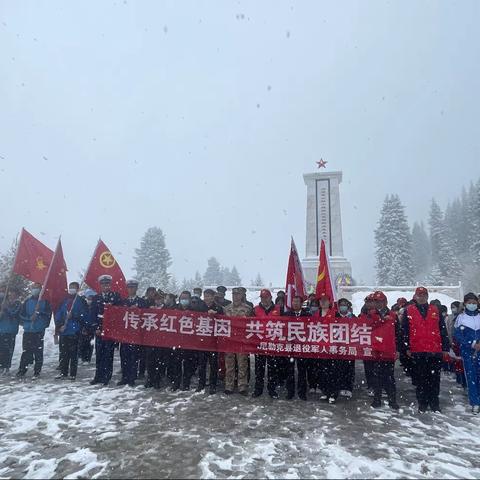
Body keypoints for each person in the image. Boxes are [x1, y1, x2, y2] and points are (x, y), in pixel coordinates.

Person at [401, 286, 450, 412]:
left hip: (435, 350)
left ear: (427, 296)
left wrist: (445, 347)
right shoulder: (409, 310)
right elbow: (405, 330)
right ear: (415, 297)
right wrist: (406, 347)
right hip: (417, 350)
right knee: (421, 379)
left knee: (434, 379)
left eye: (424, 295)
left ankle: (434, 404)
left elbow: (442, 329)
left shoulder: (435, 310)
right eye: (419, 295)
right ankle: (422, 404)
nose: (421, 297)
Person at [368, 291, 400, 410]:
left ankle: (392, 400)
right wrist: (383, 320)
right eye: (376, 301)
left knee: (389, 377)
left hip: (388, 350)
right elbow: (371, 325)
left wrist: (398, 349)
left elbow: (398, 333)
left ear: (385, 302)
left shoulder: (393, 315)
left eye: (381, 301)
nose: (379, 304)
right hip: (376, 350)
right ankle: (377, 400)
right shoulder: (371, 314)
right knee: (376, 377)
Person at [90, 275, 122, 386]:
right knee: (99, 354)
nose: (105, 286)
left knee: (109, 354)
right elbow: (92, 314)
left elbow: (120, 313)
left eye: (107, 284)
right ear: (101, 285)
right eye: (103, 284)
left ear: (110, 285)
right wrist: (95, 328)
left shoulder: (116, 297)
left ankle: (107, 377)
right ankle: (98, 376)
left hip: (110, 331)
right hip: (99, 330)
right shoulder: (96, 298)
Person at [171, 291, 207, 391]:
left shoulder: (196, 309)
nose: (184, 300)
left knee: (188, 364)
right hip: (177, 341)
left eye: (186, 298)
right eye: (182, 298)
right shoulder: (175, 309)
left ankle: (186, 383)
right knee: (176, 364)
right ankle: (176, 383)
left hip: (190, 342)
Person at [16, 283, 52, 379]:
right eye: (34, 288)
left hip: (39, 330)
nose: (35, 290)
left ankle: (37, 371)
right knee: (26, 351)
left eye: (37, 288)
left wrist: (40, 314)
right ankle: (22, 370)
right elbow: (21, 315)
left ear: (41, 289)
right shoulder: (27, 301)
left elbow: (48, 315)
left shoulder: (45, 301)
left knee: (38, 351)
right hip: (28, 330)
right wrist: (29, 319)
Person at [54, 282, 88, 381]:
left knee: (73, 354)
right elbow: (58, 313)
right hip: (64, 330)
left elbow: (84, 315)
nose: (71, 289)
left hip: (75, 331)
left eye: (73, 288)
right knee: (64, 353)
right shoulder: (64, 300)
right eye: (70, 287)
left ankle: (73, 374)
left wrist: (74, 315)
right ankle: (63, 372)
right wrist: (59, 325)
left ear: (77, 289)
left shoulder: (81, 301)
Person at [252, 289, 283, 399]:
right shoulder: (255, 309)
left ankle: (272, 389)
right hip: (259, 344)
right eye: (262, 297)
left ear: (270, 298)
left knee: (272, 369)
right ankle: (258, 389)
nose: (264, 300)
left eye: (266, 297)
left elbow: (285, 324)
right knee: (259, 369)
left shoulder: (279, 309)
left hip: (272, 344)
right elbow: (249, 324)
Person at [454, 292, 480, 414]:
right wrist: (471, 344)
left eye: (474, 303)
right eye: (469, 303)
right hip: (468, 352)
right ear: (465, 304)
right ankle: (475, 402)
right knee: (471, 377)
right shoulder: (461, 318)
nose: (472, 305)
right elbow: (458, 335)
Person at [223, 287, 252, 395]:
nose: (235, 296)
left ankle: (242, 386)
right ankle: (229, 386)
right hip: (230, 340)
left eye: (238, 294)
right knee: (229, 364)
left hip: (241, 341)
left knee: (242, 364)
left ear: (242, 295)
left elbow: (251, 325)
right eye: (234, 294)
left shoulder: (248, 309)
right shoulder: (226, 309)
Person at [118, 280, 146, 387]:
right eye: (129, 287)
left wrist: (138, 310)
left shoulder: (142, 302)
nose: (131, 289)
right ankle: (124, 377)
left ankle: (132, 378)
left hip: (136, 334)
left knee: (134, 357)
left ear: (136, 289)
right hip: (125, 335)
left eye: (133, 287)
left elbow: (146, 316)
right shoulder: (122, 302)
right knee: (124, 356)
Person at [314, 293, 339, 403]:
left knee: (333, 371)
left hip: (332, 347)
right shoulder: (316, 314)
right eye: (321, 300)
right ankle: (325, 391)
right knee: (322, 371)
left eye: (325, 300)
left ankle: (333, 393)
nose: (323, 302)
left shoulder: (335, 313)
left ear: (329, 302)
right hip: (320, 347)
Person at [197, 289, 222, 394]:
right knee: (201, 364)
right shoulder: (199, 307)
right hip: (202, 340)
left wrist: (216, 315)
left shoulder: (219, 308)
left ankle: (213, 385)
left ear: (213, 297)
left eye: (209, 296)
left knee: (213, 365)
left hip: (213, 340)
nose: (207, 298)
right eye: (205, 296)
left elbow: (223, 322)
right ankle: (201, 384)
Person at [284, 295, 309, 400]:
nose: (295, 303)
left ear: (301, 303)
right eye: (293, 301)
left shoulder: (307, 315)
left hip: (302, 347)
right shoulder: (286, 315)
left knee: (302, 371)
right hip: (290, 346)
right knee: (289, 370)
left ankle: (302, 392)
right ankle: (290, 392)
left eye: (297, 301)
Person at [145, 291, 169, 389]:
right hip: (151, 339)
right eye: (156, 299)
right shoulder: (150, 309)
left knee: (160, 360)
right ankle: (150, 378)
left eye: (160, 299)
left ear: (163, 299)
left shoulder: (168, 309)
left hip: (162, 339)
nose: (158, 301)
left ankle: (157, 380)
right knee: (150, 360)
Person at [336, 298, 356, 399]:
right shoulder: (335, 316)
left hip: (349, 346)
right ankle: (340, 386)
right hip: (338, 346)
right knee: (339, 368)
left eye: (345, 304)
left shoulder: (352, 317)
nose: (343, 306)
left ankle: (348, 387)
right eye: (341, 305)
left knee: (349, 368)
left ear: (348, 306)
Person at [0, 288, 21, 375]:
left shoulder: (18, 303)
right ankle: (1, 366)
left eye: (13, 293)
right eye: (10, 293)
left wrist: (6, 309)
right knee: (1, 349)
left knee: (9, 349)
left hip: (11, 330)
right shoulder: (3, 302)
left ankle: (7, 366)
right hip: (2, 329)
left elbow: (14, 314)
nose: (11, 294)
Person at [78, 289, 96, 363]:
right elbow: (81, 317)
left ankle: (87, 358)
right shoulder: (83, 306)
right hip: (83, 327)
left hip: (91, 328)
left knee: (89, 343)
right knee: (82, 343)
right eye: (88, 298)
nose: (89, 300)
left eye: (91, 299)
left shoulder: (94, 307)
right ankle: (82, 357)